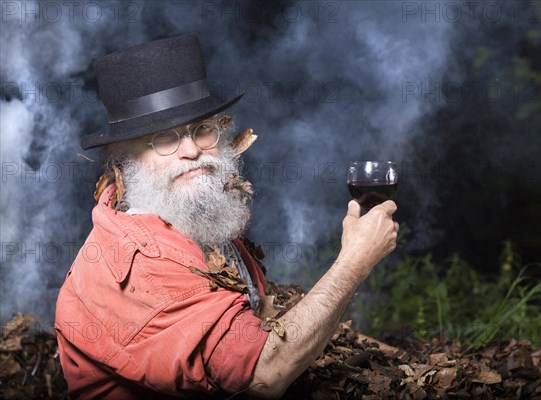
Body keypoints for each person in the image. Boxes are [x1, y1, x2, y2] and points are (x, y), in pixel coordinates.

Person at [55, 34, 398, 399]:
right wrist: (353, 263)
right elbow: (267, 373)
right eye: (164, 139)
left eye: (202, 129)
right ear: (125, 159)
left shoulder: (182, 212)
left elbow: (244, 316)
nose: (191, 150)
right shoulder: (146, 264)